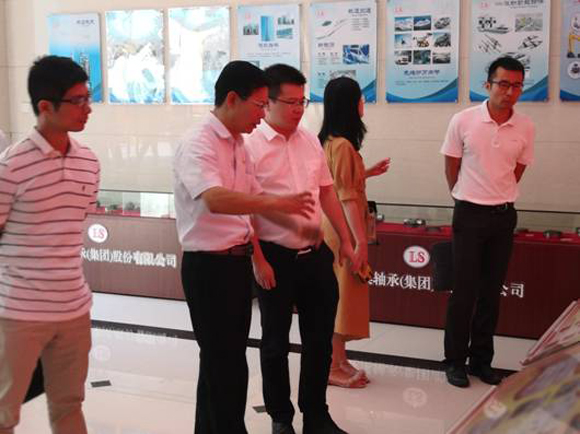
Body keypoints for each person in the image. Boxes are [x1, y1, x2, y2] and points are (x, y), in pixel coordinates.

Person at [173, 60, 314, 434]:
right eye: (260, 105)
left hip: (236, 264)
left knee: (225, 361)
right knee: (226, 366)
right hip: (208, 267)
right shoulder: (199, 142)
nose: (263, 114)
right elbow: (216, 199)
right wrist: (278, 203)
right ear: (233, 99)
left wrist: (297, 225)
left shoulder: (238, 144)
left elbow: (253, 200)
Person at [247, 64, 358, 434]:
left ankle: (316, 414)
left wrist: (346, 238)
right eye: (290, 102)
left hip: (315, 255)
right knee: (275, 343)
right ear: (267, 102)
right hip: (274, 256)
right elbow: (244, 207)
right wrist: (258, 258)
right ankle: (281, 418)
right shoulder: (250, 145)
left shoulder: (310, 140)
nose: (298, 109)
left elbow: (326, 192)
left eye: (303, 101)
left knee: (319, 340)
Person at [0, 55, 99, 434]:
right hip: (19, 313)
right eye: (77, 101)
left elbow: (70, 228)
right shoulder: (11, 167)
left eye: (88, 97)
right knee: (4, 412)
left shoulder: (89, 162)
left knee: (69, 405)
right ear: (45, 106)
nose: (87, 108)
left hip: (74, 310)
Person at [441, 56, 534, 388]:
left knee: (491, 293)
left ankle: (481, 361)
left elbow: (517, 170)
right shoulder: (463, 120)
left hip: (503, 216)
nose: (509, 92)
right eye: (503, 84)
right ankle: (454, 361)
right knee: (463, 292)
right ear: (488, 85)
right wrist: (464, 194)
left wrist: (498, 195)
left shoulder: (525, 126)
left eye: (517, 86)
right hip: (469, 213)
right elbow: (451, 165)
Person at [318, 77, 390, 388]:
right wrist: (359, 242)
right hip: (343, 232)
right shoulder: (344, 146)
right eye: (360, 98)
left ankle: (339, 359)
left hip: (332, 229)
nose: (363, 103)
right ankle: (332, 366)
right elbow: (347, 198)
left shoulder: (330, 141)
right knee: (341, 300)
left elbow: (340, 183)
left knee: (341, 297)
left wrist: (368, 172)